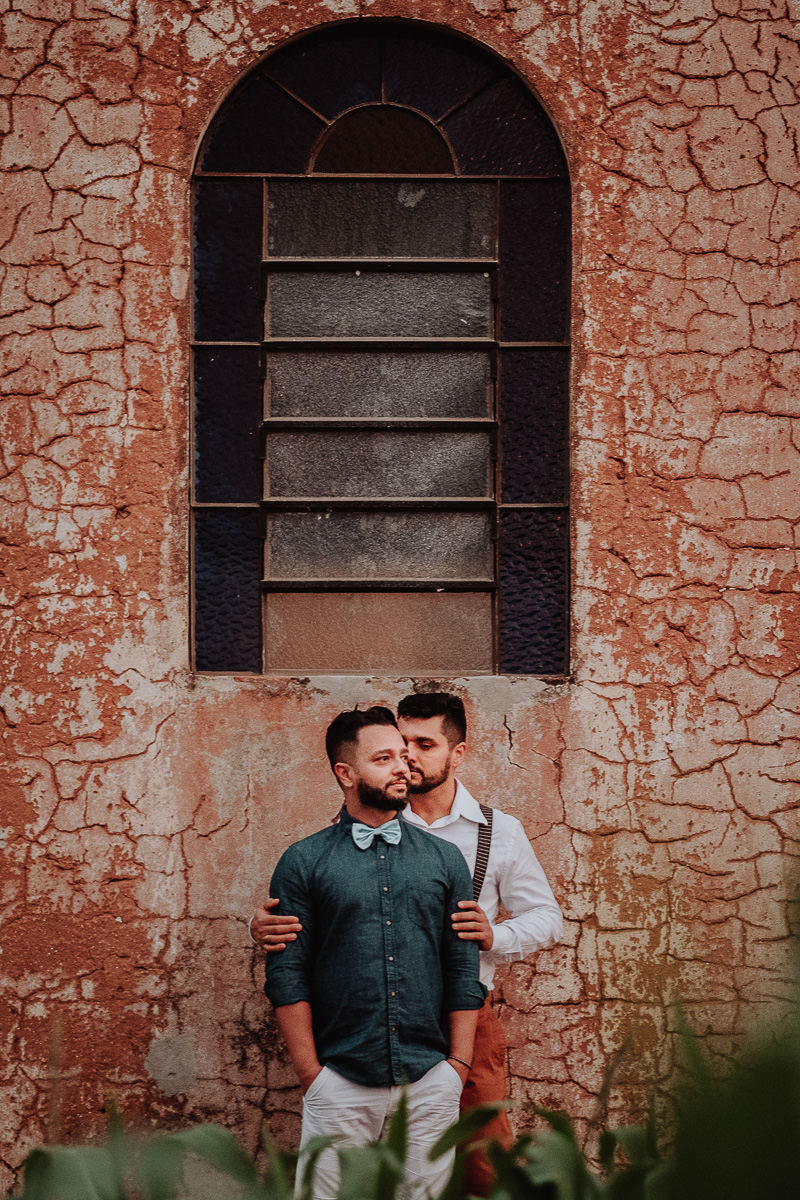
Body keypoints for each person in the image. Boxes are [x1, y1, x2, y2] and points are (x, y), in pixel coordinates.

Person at [253, 693, 562, 1195]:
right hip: (353, 1034)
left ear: (455, 753)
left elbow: (546, 918)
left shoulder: (495, 832)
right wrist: (312, 1071)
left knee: (484, 1163)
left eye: (421, 745)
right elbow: (311, 926)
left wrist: (493, 936)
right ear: (349, 772)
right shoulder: (336, 836)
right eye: (397, 749)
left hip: (459, 1027)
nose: (408, 759)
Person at [263, 706, 486, 1200]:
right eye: (383, 758)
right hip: (339, 1077)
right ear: (346, 773)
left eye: (403, 757)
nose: (402, 769)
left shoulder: (445, 859)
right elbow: (287, 971)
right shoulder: (303, 861)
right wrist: (310, 1074)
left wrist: (458, 1066)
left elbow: (462, 966)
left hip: (430, 1080)